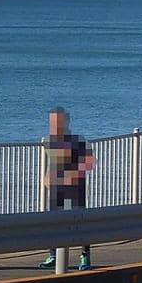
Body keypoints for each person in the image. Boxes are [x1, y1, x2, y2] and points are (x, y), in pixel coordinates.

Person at [39, 107, 96, 271]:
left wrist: (73, 174)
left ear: (65, 121)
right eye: (52, 121)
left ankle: (85, 256)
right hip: (56, 189)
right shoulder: (50, 141)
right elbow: (54, 163)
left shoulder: (79, 140)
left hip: (75, 188)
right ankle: (53, 254)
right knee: (54, 221)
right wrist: (46, 176)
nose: (54, 125)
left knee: (79, 221)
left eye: (57, 121)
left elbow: (90, 162)